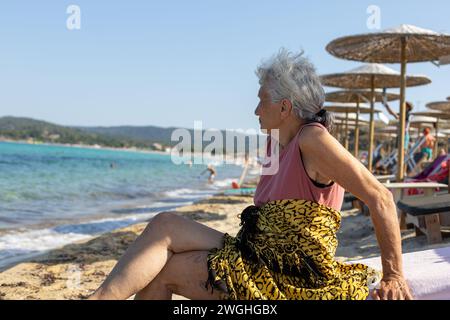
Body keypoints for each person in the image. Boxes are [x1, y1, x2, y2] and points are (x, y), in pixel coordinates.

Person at [89, 49, 412, 300]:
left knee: (161, 271)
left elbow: (380, 197)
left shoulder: (313, 139)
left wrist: (394, 275)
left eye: (261, 101)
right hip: (257, 251)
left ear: (285, 108)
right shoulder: (276, 145)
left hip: (289, 272)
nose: (256, 110)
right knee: (165, 224)